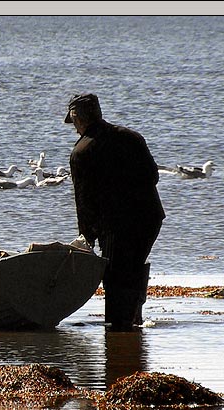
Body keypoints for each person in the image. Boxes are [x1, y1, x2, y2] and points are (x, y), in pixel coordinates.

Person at [64, 93, 165, 331]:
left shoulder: (82, 151)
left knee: (115, 276)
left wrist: (85, 237)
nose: (75, 130)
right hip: (149, 217)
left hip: (116, 225)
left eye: (73, 123)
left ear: (78, 119)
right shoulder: (131, 137)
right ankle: (134, 321)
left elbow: (84, 200)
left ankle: (120, 329)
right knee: (133, 266)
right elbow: (154, 176)